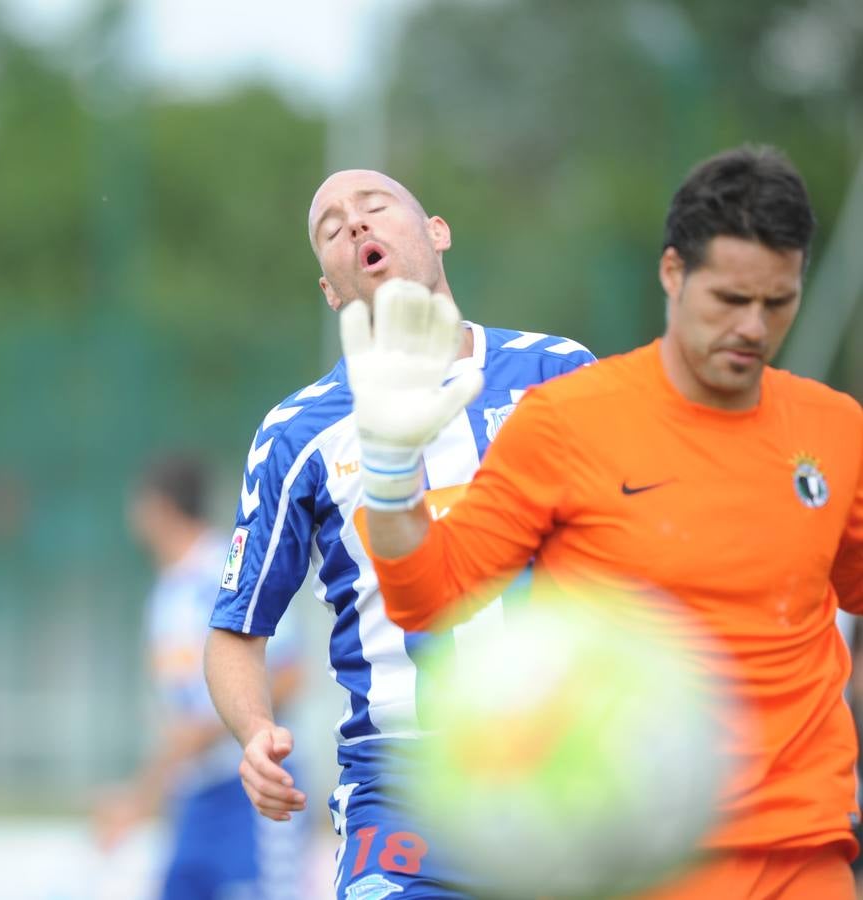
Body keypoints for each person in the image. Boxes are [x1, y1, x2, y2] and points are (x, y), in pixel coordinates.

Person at [348, 146, 863, 898]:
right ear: (672, 274)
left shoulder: (837, 430)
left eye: (777, 302)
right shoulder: (566, 421)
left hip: (804, 854)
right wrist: (392, 478)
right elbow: (430, 593)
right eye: (728, 299)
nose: (753, 327)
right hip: (633, 860)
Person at [203, 168, 595, 898]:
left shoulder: (561, 373)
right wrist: (255, 733)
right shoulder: (299, 432)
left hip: (566, 769)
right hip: (402, 784)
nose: (354, 224)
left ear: (437, 232)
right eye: (331, 228)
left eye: (375, 207)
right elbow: (236, 629)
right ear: (331, 290)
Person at [95, 454, 308, 899]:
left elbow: (289, 675)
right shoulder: (167, 590)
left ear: (157, 508)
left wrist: (225, 726)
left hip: (249, 791)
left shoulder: (225, 571)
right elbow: (181, 719)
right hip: (194, 795)